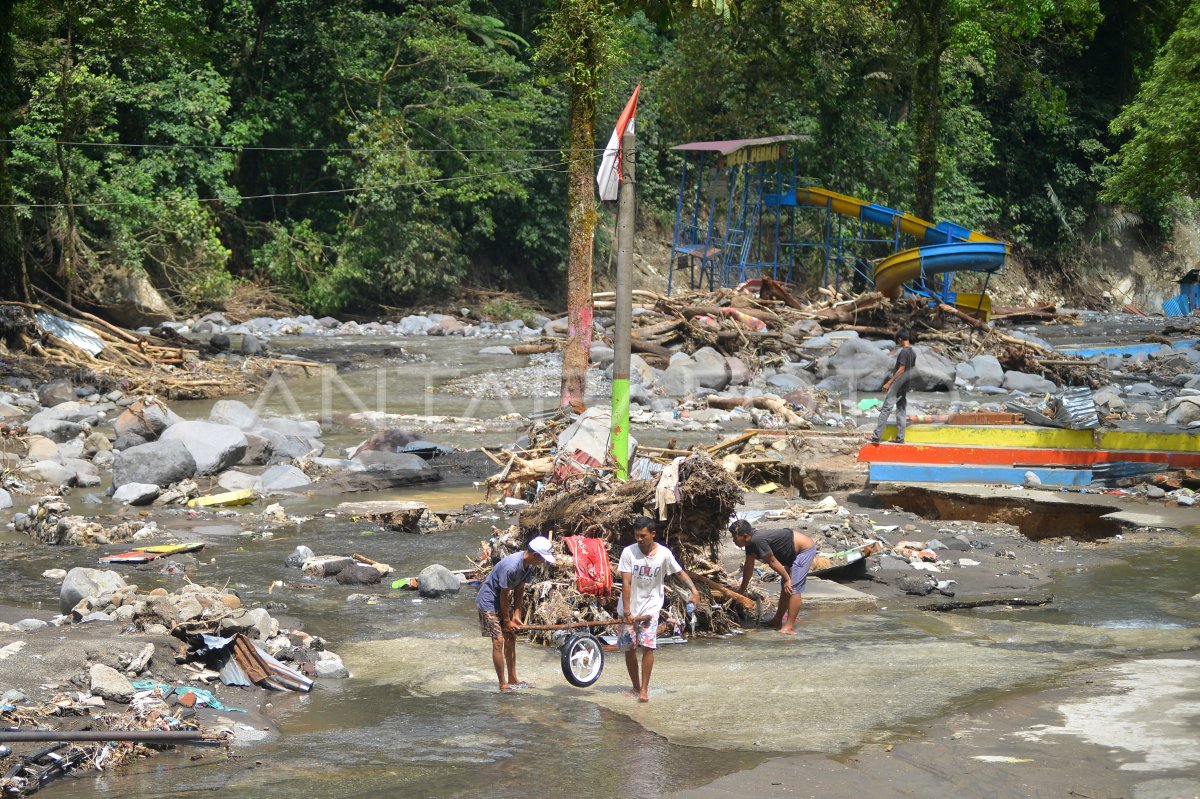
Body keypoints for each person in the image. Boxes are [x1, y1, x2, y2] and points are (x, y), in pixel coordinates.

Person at [618, 517, 700, 703]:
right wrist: (627, 611)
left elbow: (679, 572)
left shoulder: (664, 554)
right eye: (637, 535)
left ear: (653, 534)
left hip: (651, 607)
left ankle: (644, 689)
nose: (639, 539)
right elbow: (626, 582)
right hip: (628, 607)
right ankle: (635, 686)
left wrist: (693, 590)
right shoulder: (628, 553)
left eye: (643, 536)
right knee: (629, 649)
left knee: (648, 647)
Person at [476, 535, 556, 692]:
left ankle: (513, 679)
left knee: (511, 638)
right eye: (542, 558)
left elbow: (519, 588)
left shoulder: (529, 566)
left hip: (501, 600)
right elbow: (504, 594)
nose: (543, 562)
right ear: (535, 555)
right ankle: (503, 684)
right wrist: (506, 620)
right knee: (498, 640)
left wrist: (517, 614)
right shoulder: (511, 566)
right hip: (488, 601)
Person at [730, 519, 816, 635]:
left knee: (793, 587)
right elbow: (749, 566)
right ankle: (777, 620)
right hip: (792, 552)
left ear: (745, 536)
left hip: (804, 550)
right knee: (786, 586)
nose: (733, 540)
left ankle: (789, 627)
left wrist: (788, 579)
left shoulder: (757, 540)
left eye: (735, 537)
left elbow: (772, 561)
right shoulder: (750, 543)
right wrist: (742, 588)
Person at [870, 329, 916, 444]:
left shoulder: (904, 352)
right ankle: (900, 437)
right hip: (905, 385)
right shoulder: (913, 352)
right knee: (901, 410)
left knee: (886, 409)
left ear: (900, 339)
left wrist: (889, 383)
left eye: (898, 340)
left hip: (897, 385)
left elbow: (902, 368)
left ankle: (876, 436)